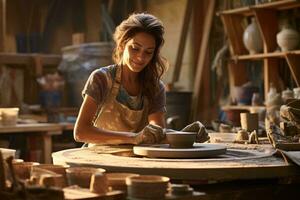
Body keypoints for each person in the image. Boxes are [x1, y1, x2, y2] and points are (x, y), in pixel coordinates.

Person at [74, 13, 168, 146]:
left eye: (148, 52)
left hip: (137, 160)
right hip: (99, 159)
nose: (141, 57)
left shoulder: (155, 87)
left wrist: (185, 136)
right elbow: (81, 132)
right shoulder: (102, 79)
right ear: (122, 45)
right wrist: (133, 138)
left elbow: (157, 132)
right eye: (135, 49)